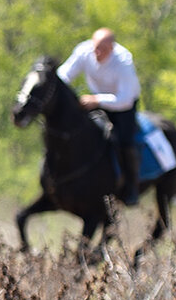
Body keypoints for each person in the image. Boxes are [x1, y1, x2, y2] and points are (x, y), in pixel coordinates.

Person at [56, 28, 143, 206]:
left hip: (122, 107)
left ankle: (131, 186)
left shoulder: (123, 61)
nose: (96, 53)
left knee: (125, 141)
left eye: (102, 49)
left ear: (112, 47)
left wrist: (97, 100)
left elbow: (125, 99)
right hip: (95, 100)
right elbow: (64, 75)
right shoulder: (84, 50)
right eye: (95, 47)